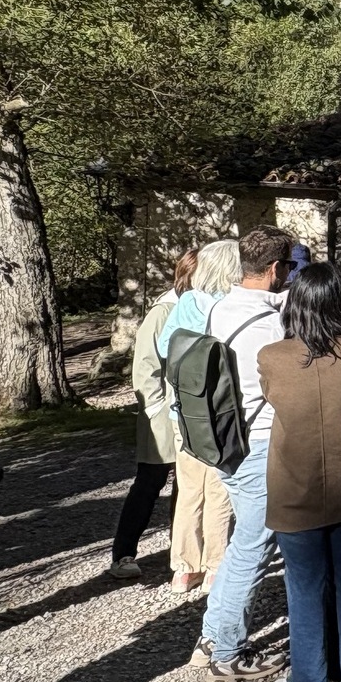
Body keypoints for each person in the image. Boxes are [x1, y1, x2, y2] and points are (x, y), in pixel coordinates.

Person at [259, 262, 341, 682]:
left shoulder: (272, 357)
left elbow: (270, 397)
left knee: (304, 588)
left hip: (295, 490)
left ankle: (309, 680)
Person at [194, 224, 296, 682]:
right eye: (289, 268)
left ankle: (212, 637)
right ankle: (227, 654)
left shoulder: (217, 308)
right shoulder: (272, 326)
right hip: (259, 443)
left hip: (225, 439)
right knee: (255, 546)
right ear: (276, 269)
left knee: (242, 544)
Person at [108, 248, 199, 581]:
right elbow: (146, 366)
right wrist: (156, 408)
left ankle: (182, 549)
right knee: (150, 482)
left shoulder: (195, 309)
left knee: (188, 485)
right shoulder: (163, 312)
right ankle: (123, 553)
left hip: (188, 412)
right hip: (162, 413)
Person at [159, 239, 240, 593]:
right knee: (219, 488)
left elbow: (164, 347)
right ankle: (215, 566)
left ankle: (184, 568)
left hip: (185, 410)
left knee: (190, 489)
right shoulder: (232, 305)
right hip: (222, 411)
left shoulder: (187, 302)